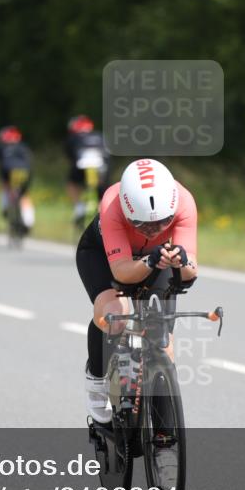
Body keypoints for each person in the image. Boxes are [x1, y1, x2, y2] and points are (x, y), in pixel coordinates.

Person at [75, 158, 198, 425]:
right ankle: (96, 379)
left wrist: (182, 261)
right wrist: (150, 261)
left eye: (163, 223)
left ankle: (166, 435)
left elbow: (190, 273)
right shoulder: (111, 204)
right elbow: (121, 273)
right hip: (104, 257)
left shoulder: (185, 202)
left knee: (164, 341)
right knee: (114, 313)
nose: (153, 230)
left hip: (157, 257)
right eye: (142, 225)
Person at [65, 115, 110, 226]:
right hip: (101, 169)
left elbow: (70, 156)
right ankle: (102, 216)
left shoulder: (73, 138)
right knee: (102, 193)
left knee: (72, 183)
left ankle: (79, 207)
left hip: (81, 169)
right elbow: (108, 155)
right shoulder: (100, 136)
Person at [0, 125, 35, 234]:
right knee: (24, 195)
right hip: (24, 171)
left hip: (8, 170)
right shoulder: (23, 146)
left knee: (6, 186)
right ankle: (28, 221)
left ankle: (5, 208)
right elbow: (29, 162)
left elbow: (0, 163)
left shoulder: (1, 147)